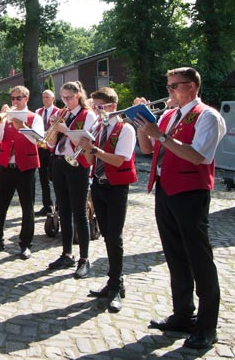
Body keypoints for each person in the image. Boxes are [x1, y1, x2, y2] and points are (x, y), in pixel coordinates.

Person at [135, 67, 226, 350]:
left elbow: (198, 156)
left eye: (175, 86)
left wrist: (161, 137)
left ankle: (207, 327)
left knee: (199, 258)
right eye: (169, 86)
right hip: (164, 188)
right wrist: (142, 128)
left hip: (190, 191)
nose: (170, 91)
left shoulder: (208, 116)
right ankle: (183, 315)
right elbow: (148, 150)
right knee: (174, 255)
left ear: (193, 87)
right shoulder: (169, 115)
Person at [77, 87, 137, 313]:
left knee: (115, 237)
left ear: (112, 107)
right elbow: (92, 158)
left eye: (99, 107)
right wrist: (83, 148)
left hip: (116, 187)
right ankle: (112, 282)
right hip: (99, 185)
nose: (95, 111)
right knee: (105, 235)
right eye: (94, 107)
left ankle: (116, 285)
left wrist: (93, 149)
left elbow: (119, 160)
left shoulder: (126, 129)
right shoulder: (99, 128)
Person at [0, 85, 44, 259]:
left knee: (27, 207)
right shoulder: (5, 118)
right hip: (7, 166)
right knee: (1, 205)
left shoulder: (34, 117)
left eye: (18, 98)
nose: (14, 101)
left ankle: (25, 244)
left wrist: (21, 124)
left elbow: (38, 139)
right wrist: (1, 119)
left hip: (26, 167)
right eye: (12, 98)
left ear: (26, 99)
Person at [47, 81, 97, 279]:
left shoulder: (88, 115)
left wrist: (64, 129)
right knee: (63, 210)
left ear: (78, 96)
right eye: (63, 98)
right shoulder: (64, 114)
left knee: (79, 212)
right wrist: (53, 128)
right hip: (60, 162)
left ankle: (84, 259)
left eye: (69, 98)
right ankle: (66, 253)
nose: (65, 101)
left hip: (78, 165)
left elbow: (85, 143)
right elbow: (51, 142)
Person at [35, 89, 59, 215]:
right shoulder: (38, 112)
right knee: (43, 178)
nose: (45, 99)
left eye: (47, 97)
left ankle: (59, 205)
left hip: (53, 149)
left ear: (53, 99)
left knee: (55, 178)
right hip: (41, 148)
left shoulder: (58, 112)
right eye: (43, 97)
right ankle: (47, 205)